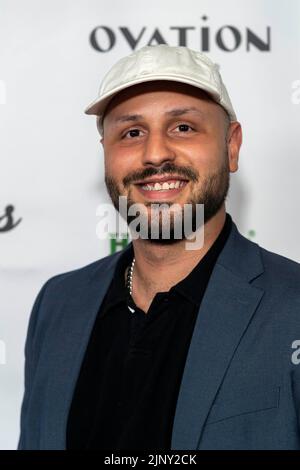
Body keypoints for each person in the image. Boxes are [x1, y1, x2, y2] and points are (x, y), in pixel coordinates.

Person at [18, 45, 300, 450]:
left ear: (231, 145)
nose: (155, 154)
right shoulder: (57, 304)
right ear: (106, 154)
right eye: (131, 133)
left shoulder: (292, 307)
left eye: (183, 127)